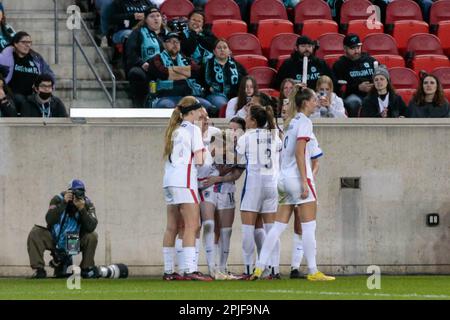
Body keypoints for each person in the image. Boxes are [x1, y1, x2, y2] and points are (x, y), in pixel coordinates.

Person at [251, 87, 335, 281]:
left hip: (283, 178)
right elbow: (299, 152)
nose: (317, 102)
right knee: (308, 227)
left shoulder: (291, 122)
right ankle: (313, 271)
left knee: (278, 227)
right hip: (297, 178)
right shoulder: (305, 122)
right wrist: (305, 181)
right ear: (305, 103)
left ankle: (259, 267)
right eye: (314, 99)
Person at [162, 96, 212, 281]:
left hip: (168, 181)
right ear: (193, 111)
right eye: (200, 110)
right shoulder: (193, 129)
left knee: (172, 227)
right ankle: (190, 269)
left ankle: (169, 271)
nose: (202, 113)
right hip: (184, 181)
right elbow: (199, 161)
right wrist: (207, 153)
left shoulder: (174, 129)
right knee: (193, 225)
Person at [236, 104, 282, 277]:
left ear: (253, 121)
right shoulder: (274, 136)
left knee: (247, 229)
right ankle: (274, 269)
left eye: (247, 116)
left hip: (254, 185)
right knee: (271, 230)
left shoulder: (246, 136)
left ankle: (248, 269)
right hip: (271, 185)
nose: (245, 119)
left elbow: (238, 157)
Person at [27, 179, 99, 279]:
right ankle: (39, 270)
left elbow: (91, 227)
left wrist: (82, 209)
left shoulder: (87, 203)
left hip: (73, 240)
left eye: (81, 192)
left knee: (92, 236)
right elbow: (50, 220)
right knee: (35, 233)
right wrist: (64, 203)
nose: (78, 195)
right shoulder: (58, 199)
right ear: (69, 191)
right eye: (75, 192)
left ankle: (86, 269)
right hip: (55, 238)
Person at [147, 32, 213, 110]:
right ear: (164, 44)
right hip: (166, 96)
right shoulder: (157, 59)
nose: (175, 44)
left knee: (208, 107)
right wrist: (186, 72)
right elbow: (162, 73)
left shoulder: (187, 59)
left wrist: (172, 70)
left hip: (188, 97)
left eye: (177, 42)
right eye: (171, 41)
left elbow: (197, 72)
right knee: (166, 106)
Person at [125, 6, 167, 108]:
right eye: (152, 16)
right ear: (146, 20)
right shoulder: (138, 33)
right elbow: (130, 52)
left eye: (158, 16)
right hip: (146, 67)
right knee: (136, 73)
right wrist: (141, 63)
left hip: (165, 68)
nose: (156, 18)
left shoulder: (168, 34)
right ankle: (139, 105)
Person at [333, 33, 377, 117]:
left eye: (358, 47)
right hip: (352, 95)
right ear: (345, 48)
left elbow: (383, 77)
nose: (356, 51)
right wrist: (358, 88)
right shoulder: (339, 65)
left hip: (372, 94)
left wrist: (375, 86)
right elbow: (337, 88)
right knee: (353, 103)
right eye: (352, 48)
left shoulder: (371, 61)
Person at [0, 31, 55, 99]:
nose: (27, 45)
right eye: (24, 42)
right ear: (15, 43)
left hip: (33, 98)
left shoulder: (36, 57)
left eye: (29, 42)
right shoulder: (5, 57)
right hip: (13, 98)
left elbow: (49, 74)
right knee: (20, 99)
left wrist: (48, 89)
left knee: (56, 101)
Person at [203, 38, 248, 117]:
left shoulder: (236, 65)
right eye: (219, 48)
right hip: (215, 94)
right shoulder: (207, 64)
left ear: (229, 51)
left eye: (224, 47)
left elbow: (246, 79)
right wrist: (207, 88)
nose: (222, 50)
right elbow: (199, 80)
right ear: (214, 51)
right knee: (224, 105)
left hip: (234, 95)